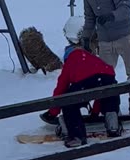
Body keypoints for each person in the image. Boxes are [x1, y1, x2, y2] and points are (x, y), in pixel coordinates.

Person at [40, 17, 122, 148]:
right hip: (108, 75)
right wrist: (95, 113)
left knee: (68, 101)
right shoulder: (93, 58)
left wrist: (53, 112)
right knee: (108, 92)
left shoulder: (71, 60)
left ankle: (76, 135)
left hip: (86, 80)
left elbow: (60, 89)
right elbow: (99, 91)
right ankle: (113, 125)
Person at [81, 0, 130, 114]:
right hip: (104, 40)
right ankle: (111, 107)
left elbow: (125, 8)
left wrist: (111, 16)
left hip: (124, 36)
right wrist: (86, 37)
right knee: (105, 76)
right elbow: (89, 18)